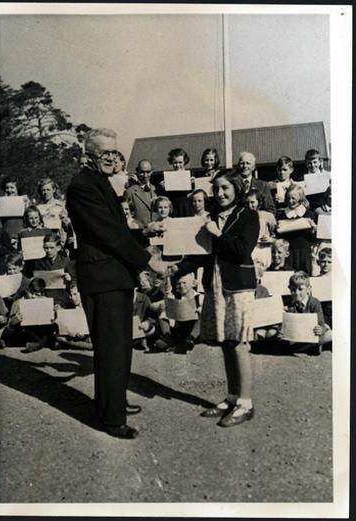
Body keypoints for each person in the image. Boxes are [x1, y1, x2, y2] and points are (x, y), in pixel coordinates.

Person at [66, 128, 165, 440]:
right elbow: (107, 232)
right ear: (89, 156)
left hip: (113, 275)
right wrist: (147, 259)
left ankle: (115, 401)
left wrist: (142, 234)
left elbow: (116, 229)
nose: (112, 158)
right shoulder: (82, 186)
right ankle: (111, 418)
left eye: (114, 152)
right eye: (105, 153)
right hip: (103, 277)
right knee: (111, 347)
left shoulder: (100, 182)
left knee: (121, 344)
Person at [182, 170, 259, 426]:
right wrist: (175, 269)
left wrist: (217, 233)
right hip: (215, 283)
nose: (220, 193)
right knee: (225, 342)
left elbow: (241, 251)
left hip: (238, 285)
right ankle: (232, 396)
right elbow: (200, 254)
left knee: (238, 343)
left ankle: (246, 404)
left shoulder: (249, 216)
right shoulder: (212, 217)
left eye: (225, 187)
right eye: (216, 189)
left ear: (237, 188)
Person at [276, 184, 317, 275]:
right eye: (288, 198)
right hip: (288, 252)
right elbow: (278, 234)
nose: (290, 201)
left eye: (293, 198)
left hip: (304, 252)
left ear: (300, 197)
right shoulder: (281, 214)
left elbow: (313, 238)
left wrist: (314, 230)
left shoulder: (309, 214)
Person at [157, 148, 195, 217]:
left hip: (187, 207)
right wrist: (163, 188)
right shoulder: (168, 177)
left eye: (180, 162)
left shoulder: (191, 175)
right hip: (174, 207)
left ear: (185, 161)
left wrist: (194, 184)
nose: (177, 165)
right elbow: (165, 197)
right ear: (172, 162)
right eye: (175, 162)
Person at [124, 160, 157, 226]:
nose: (145, 175)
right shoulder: (130, 191)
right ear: (137, 171)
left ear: (152, 171)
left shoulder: (155, 189)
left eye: (148, 172)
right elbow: (126, 215)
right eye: (142, 172)